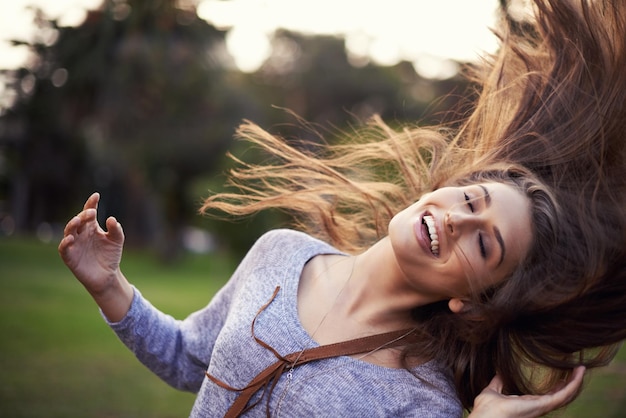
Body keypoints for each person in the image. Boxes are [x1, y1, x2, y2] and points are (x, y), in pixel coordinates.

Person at [59, 0, 626, 417]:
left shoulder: (424, 400)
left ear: (473, 298)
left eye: (484, 242)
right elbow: (190, 359)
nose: (460, 218)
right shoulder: (281, 252)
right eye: (472, 199)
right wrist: (109, 286)